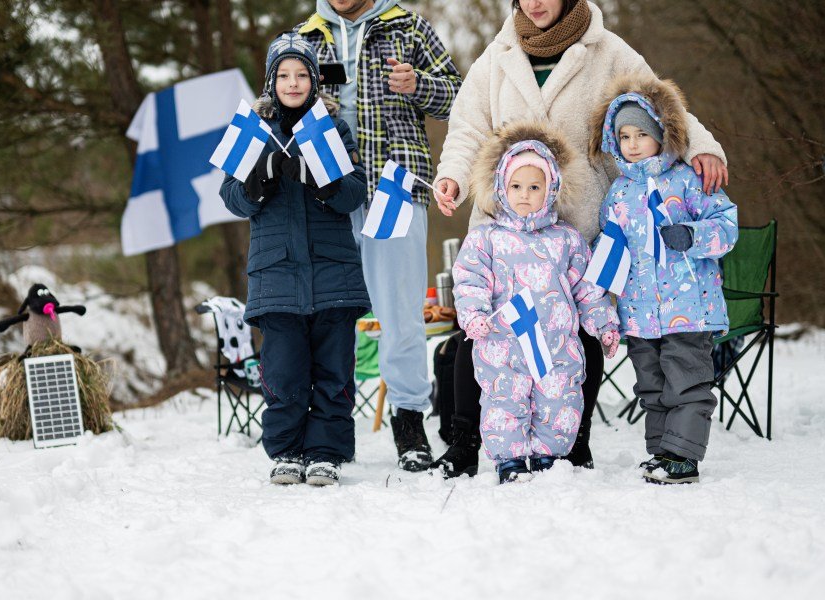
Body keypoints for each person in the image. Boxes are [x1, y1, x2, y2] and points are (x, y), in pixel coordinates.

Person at [429, 0, 729, 476]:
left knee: (578, 332)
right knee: (481, 332)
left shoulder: (607, 51)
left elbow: (656, 105)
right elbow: (467, 130)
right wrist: (454, 178)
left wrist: (703, 147)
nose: (536, 3)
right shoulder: (498, 55)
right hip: (505, 224)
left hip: (582, 219)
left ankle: (573, 440)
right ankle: (466, 442)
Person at [296, 0, 463, 471]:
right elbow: (280, 106)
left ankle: (408, 419)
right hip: (326, 193)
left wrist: (418, 85)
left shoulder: (408, 25)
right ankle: (325, 427)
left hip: (394, 188)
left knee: (401, 311)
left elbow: (458, 97)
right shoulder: (305, 38)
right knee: (325, 313)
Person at [220, 33, 369, 486]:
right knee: (283, 373)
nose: (293, 82)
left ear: (314, 80)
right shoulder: (253, 132)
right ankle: (286, 450)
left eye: (302, 74)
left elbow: (354, 193)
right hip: (277, 277)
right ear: (271, 81)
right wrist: (258, 180)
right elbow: (231, 197)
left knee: (333, 372)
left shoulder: (333, 128)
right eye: (283, 75)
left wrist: (320, 180)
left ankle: (325, 452)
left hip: (333, 275)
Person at [590, 74, 739, 484]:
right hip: (639, 313)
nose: (633, 143)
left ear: (662, 133)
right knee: (652, 387)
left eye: (642, 133)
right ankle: (662, 452)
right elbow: (609, 248)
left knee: (686, 381)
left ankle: (683, 456)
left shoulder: (687, 179)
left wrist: (693, 236)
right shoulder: (617, 194)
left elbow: (726, 225)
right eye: (624, 136)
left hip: (688, 308)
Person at [451, 120, 619, 483]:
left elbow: (587, 289)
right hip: (503, 345)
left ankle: (548, 457)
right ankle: (509, 461)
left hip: (555, 347)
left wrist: (604, 325)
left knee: (559, 402)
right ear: (501, 188)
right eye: (516, 186)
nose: (524, 194)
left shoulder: (567, 240)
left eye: (534, 186)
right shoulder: (486, 239)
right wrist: (475, 314)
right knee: (504, 403)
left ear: (551, 189)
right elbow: (469, 281)